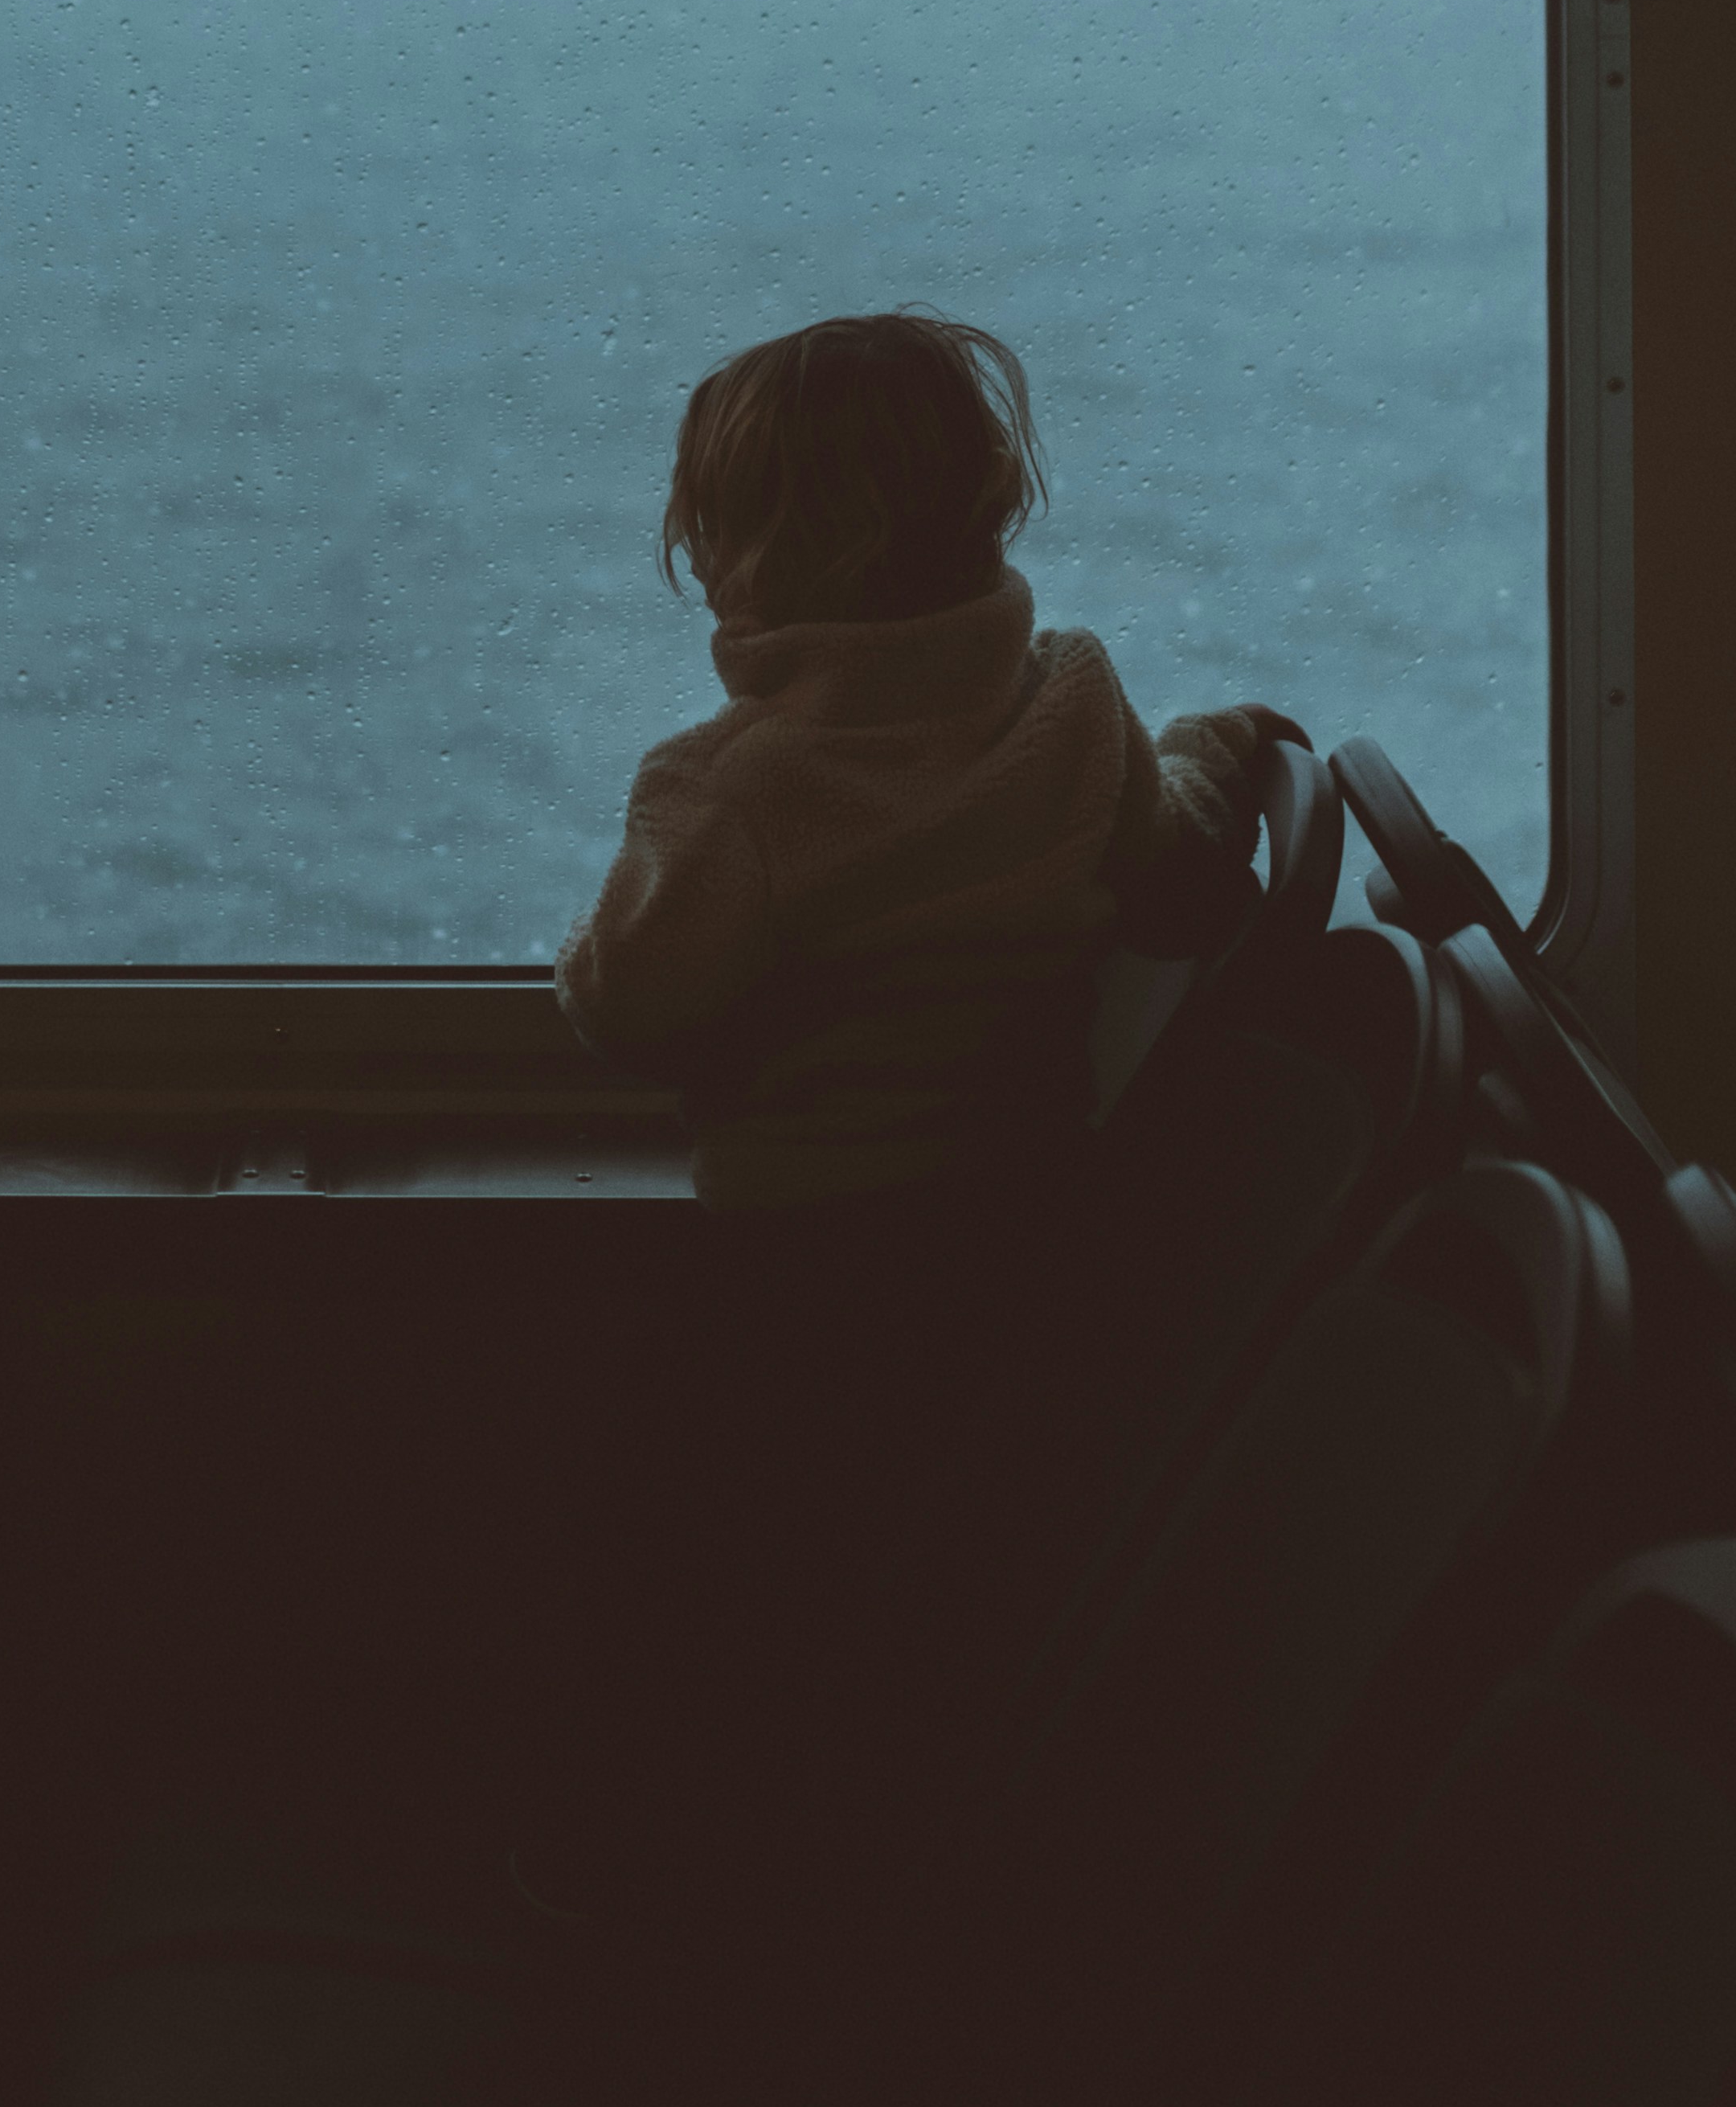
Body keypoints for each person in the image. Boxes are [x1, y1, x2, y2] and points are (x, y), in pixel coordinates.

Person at [521, 312, 1284, 1924]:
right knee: (920, 1595)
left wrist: (586, 945)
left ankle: (669, 1896)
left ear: (767, 554)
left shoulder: (732, 788)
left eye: (709, 530)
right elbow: (1172, 856)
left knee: (702, 1589)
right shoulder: (1074, 714)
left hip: (797, 1272)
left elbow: (629, 1005)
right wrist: (1215, 746)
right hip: (1016, 1242)